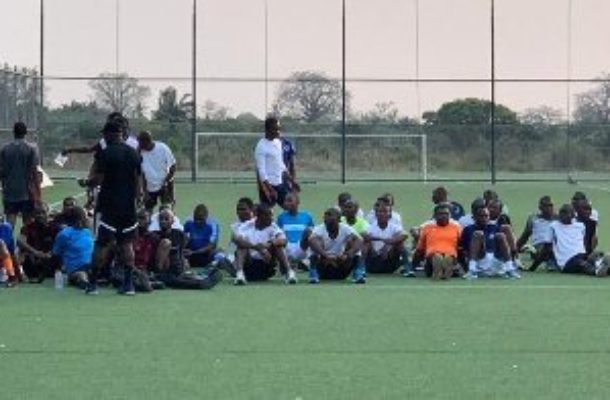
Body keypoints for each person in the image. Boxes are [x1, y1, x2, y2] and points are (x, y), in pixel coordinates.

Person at [84, 120, 142, 295]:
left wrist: (87, 182)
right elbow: (138, 179)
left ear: (110, 134)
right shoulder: (133, 153)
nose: (103, 137)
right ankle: (128, 284)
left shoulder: (106, 153)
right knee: (126, 244)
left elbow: (99, 179)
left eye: (104, 134)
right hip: (128, 206)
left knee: (101, 244)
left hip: (109, 205)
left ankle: (93, 283)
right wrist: (137, 198)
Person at [154, 209, 221, 290]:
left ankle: (205, 277)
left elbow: (181, 253)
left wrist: (184, 264)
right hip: (166, 273)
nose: (163, 221)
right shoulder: (154, 236)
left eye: (166, 219)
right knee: (178, 281)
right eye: (161, 219)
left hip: (178, 271)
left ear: (173, 221)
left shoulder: (179, 234)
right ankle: (201, 284)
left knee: (188, 276)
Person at [233, 203, 296, 285]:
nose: (271, 218)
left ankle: (289, 273)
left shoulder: (273, 226)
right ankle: (240, 275)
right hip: (249, 265)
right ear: (259, 216)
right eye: (267, 215)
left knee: (278, 246)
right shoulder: (247, 225)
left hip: (267, 265)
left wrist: (270, 244)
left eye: (271, 215)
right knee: (241, 246)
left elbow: (284, 240)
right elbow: (237, 239)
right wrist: (256, 247)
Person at [308, 208, 365, 284]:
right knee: (316, 243)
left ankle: (358, 272)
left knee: (353, 242)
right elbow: (311, 240)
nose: (329, 224)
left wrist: (347, 254)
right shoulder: (319, 229)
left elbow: (360, 240)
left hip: (341, 264)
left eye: (332, 222)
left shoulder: (345, 228)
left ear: (338, 220)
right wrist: (325, 255)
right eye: (326, 221)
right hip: (324, 266)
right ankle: (314, 273)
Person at [461, 206, 520, 279]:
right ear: (474, 217)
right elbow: (464, 250)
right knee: (478, 234)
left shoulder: (495, 227)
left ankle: (510, 269)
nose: (484, 218)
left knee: (500, 235)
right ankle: (472, 270)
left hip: (496, 260)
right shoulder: (468, 229)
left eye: (486, 216)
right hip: (480, 260)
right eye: (481, 216)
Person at [549, 204, 608, 277]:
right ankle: (596, 271)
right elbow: (548, 246)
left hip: (581, 255)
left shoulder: (580, 226)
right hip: (566, 261)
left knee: (598, 254)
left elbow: (583, 242)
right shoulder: (553, 226)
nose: (562, 215)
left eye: (566, 213)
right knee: (580, 263)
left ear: (572, 215)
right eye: (562, 212)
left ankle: (602, 266)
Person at [0, 122, 40, 227]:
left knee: (9, 224)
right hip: (26, 193)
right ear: (25, 133)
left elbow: (1, 171)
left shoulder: (5, 149)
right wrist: (38, 193)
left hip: (9, 192)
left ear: (13, 132)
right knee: (28, 225)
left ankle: (7, 243)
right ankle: (24, 243)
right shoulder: (31, 149)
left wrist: (4, 186)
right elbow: (34, 172)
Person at [255, 117, 298, 208]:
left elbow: (281, 164)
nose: (278, 131)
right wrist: (269, 189)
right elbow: (261, 170)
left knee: (290, 207)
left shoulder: (278, 143)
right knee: (266, 212)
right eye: (275, 129)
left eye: (279, 129)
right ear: (267, 130)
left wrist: (292, 181)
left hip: (279, 184)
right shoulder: (261, 146)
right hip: (268, 186)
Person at [413, 204, 462, 280]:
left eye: (446, 214)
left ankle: (444, 268)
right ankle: (439, 268)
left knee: (448, 257)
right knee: (436, 256)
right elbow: (420, 250)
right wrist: (413, 267)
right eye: (440, 214)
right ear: (435, 216)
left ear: (450, 215)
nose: (443, 216)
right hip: (431, 257)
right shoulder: (427, 228)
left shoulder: (456, 228)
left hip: (451, 256)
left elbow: (461, 246)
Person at [51, 206, 94, 289]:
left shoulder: (88, 232)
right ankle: (83, 281)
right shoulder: (65, 234)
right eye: (86, 217)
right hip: (76, 268)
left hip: (91, 265)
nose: (88, 219)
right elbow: (56, 253)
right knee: (81, 274)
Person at [362, 203, 409, 274]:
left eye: (385, 212)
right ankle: (360, 269)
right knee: (366, 243)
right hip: (374, 259)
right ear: (376, 214)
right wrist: (381, 240)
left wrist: (389, 244)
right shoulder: (370, 227)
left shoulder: (394, 227)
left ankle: (407, 268)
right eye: (379, 211)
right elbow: (364, 235)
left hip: (389, 259)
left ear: (389, 215)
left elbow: (405, 235)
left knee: (400, 244)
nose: (382, 214)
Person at [18, 205, 60, 283]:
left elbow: (61, 243)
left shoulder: (54, 227)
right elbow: (20, 240)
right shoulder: (28, 227)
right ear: (33, 214)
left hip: (50, 256)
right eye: (38, 213)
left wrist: (51, 253)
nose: (40, 215)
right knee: (23, 254)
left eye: (43, 212)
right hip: (35, 256)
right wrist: (35, 252)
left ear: (48, 213)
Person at [137, 130, 177, 212]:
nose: (138, 144)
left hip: (165, 186)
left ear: (146, 141)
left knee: (167, 212)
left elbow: (173, 166)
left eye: (140, 142)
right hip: (149, 188)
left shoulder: (162, 148)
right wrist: (144, 192)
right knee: (147, 213)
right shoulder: (139, 153)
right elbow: (140, 174)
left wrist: (166, 182)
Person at [516, 196, 557, 271]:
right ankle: (550, 263)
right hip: (538, 246)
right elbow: (525, 236)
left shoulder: (558, 219)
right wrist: (515, 250)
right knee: (547, 248)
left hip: (554, 245)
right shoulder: (533, 219)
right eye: (546, 206)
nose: (549, 208)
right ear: (540, 207)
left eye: (551, 205)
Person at [276, 192, 314, 267]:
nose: (287, 203)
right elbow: (277, 233)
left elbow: (312, 233)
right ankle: (286, 263)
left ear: (297, 202)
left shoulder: (307, 216)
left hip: (302, 247)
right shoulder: (281, 217)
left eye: (290, 200)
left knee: (310, 232)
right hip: (287, 247)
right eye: (285, 201)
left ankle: (306, 262)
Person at [183, 204, 223, 268]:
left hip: (205, 255)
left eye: (200, 219)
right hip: (190, 255)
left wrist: (194, 252)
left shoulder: (212, 226)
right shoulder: (188, 224)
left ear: (206, 217)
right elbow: (184, 240)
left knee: (219, 254)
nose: (198, 222)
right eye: (195, 219)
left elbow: (211, 246)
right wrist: (183, 249)